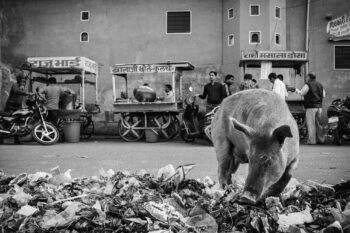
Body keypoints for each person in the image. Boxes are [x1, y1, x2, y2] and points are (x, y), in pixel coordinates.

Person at [296, 72, 325, 145]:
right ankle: (321, 140)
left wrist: (297, 90)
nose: (306, 78)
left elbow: (302, 93)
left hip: (311, 107)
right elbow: (324, 95)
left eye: (307, 77)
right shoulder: (320, 84)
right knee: (319, 124)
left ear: (309, 77)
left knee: (311, 124)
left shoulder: (307, 85)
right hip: (319, 107)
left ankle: (312, 141)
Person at [4, 72, 30, 144]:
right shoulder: (15, 85)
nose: (23, 82)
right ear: (18, 79)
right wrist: (26, 93)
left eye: (24, 80)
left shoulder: (23, 87)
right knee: (7, 122)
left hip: (18, 106)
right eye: (22, 80)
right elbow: (17, 91)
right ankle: (2, 138)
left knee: (17, 123)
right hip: (11, 105)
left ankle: (17, 140)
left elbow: (23, 97)